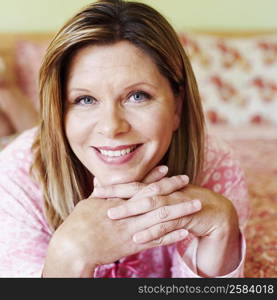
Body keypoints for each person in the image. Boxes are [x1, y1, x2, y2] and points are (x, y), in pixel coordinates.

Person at [0, 0, 249, 278]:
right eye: (85, 99)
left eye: (137, 96)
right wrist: (68, 255)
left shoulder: (214, 163)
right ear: (59, 111)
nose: (112, 127)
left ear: (176, 106)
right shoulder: (15, 176)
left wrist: (223, 228)